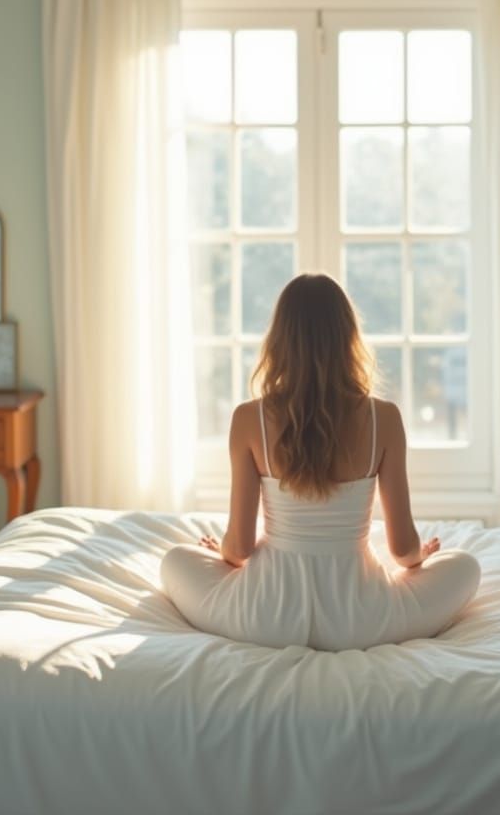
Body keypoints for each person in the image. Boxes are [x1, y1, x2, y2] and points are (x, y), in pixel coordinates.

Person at [161, 273, 480, 651]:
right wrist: (419, 558)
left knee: (174, 560)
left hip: (265, 617)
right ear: (348, 337)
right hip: (361, 620)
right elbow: (403, 550)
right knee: (465, 566)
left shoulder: (249, 419)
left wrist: (219, 552)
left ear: (279, 340)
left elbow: (240, 550)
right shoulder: (384, 418)